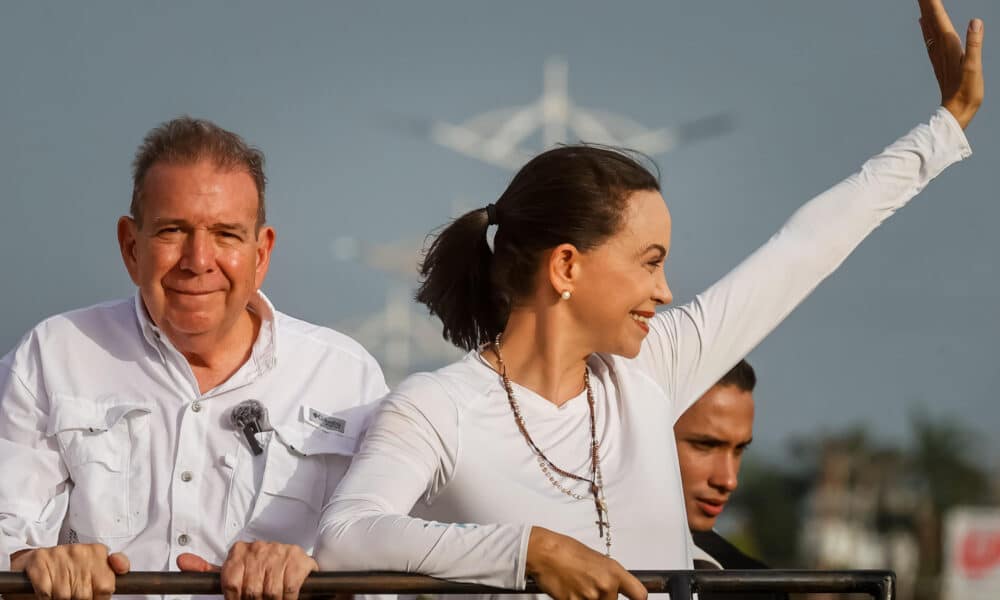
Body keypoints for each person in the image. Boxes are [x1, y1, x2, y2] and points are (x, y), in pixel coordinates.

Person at [313, 3, 983, 600]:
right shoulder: (436, 407)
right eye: (650, 262)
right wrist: (531, 551)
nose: (665, 291)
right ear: (568, 265)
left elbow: (805, 248)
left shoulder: (653, 369)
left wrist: (945, 128)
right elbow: (346, 537)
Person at [0, 117, 388, 600]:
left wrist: (314, 575)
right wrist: (32, 564)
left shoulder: (346, 378)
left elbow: (380, 565)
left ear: (260, 253)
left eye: (226, 234)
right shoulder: (52, 355)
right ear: (130, 246)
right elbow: (5, 525)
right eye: (172, 231)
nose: (198, 259)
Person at [674, 360, 786, 600]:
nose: (728, 480)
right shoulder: (581, 565)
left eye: (739, 450)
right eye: (706, 445)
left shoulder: (757, 588)